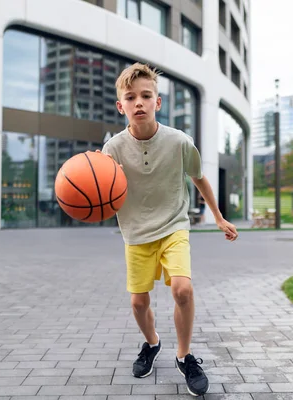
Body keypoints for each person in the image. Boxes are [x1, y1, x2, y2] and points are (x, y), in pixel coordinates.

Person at [100, 62, 238, 396]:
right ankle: (152, 343)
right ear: (121, 106)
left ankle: (184, 355)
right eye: (131, 97)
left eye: (146, 96)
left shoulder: (178, 142)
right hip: (135, 233)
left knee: (182, 290)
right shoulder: (112, 149)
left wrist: (218, 217)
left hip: (174, 225)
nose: (139, 103)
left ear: (157, 102)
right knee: (137, 303)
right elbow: (102, 192)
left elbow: (199, 177)